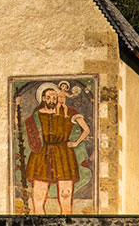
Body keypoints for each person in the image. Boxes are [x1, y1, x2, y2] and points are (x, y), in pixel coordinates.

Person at [20, 81, 90, 212]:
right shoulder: (35, 116)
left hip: (64, 155)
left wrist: (76, 143)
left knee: (66, 195)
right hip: (41, 155)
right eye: (48, 97)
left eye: (54, 97)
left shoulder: (68, 113)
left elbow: (86, 130)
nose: (51, 100)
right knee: (39, 196)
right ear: (43, 98)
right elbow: (24, 131)